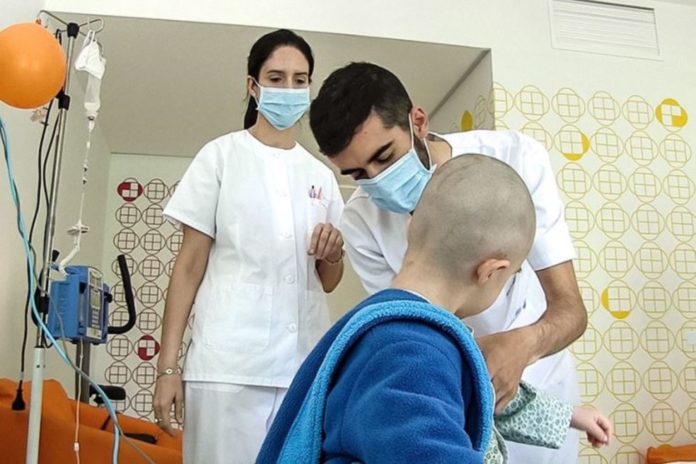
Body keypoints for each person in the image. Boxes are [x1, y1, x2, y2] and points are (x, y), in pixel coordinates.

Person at [307, 62, 588, 463]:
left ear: (418, 121)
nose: (377, 180)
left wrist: (523, 346)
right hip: (448, 383)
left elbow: (570, 310)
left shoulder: (514, 160)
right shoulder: (361, 221)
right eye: (357, 174)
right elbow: (413, 331)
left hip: (539, 377)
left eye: (385, 157)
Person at [257, 155, 611, 463]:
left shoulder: (408, 332)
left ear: (411, 229)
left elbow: (477, 395)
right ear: (490, 271)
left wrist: (568, 416)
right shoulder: (409, 351)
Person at [153, 29, 345, 464]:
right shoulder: (220, 157)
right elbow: (189, 266)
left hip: (301, 368)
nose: (289, 89)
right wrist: (168, 368)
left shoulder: (321, 176)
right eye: (276, 78)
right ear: (253, 86)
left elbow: (329, 280)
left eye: (300, 80)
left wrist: (334, 254)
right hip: (228, 366)